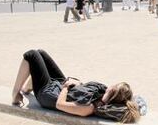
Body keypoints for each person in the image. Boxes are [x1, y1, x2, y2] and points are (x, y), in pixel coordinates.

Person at [12, 50, 140, 123]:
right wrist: (78, 84)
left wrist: (66, 87)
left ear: (113, 91)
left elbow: (60, 104)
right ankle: (27, 88)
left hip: (48, 94)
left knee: (31, 55)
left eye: (114, 86)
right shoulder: (103, 94)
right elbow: (84, 92)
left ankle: (15, 95)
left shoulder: (89, 108)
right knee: (41, 53)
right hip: (62, 88)